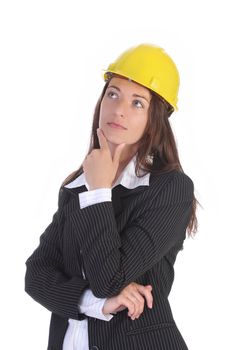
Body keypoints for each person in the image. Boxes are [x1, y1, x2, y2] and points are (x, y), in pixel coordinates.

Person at [25, 43, 198, 350]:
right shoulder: (78, 186)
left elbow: (110, 278)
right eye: (113, 93)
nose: (119, 109)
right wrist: (95, 303)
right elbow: (36, 275)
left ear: (154, 119)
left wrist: (100, 192)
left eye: (138, 103)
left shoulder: (170, 189)